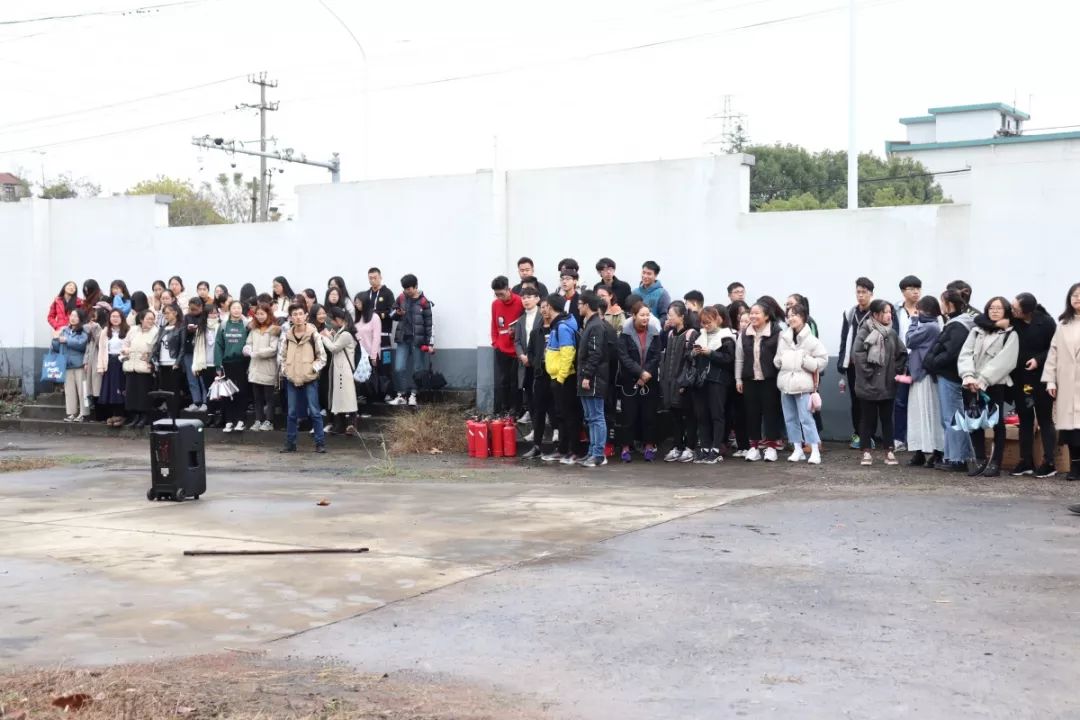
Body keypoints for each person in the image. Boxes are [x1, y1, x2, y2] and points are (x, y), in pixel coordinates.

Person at [958, 297, 1019, 477]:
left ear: (1006, 311)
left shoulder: (1010, 334)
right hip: (971, 383)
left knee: (997, 423)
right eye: (991, 307)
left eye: (999, 308)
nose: (995, 311)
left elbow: (1005, 361)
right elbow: (965, 353)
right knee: (974, 421)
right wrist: (968, 375)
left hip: (994, 383)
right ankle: (979, 458)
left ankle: (996, 462)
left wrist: (983, 380)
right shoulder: (976, 331)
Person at [923, 289, 978, 472]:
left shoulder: (957, 325)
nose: (941, 305)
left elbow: (951, 352)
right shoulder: (959, 323)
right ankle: (956, 456)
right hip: (951, 375)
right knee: (952, 417)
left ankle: (957, 459)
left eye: (942, 301)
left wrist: (932, 362)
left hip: (950, 375)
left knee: (952, 418)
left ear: (950, 304)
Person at [852, 299, 908, 466]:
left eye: (890, 312)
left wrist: (895, 371)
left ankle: (889, 450)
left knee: (887, 419)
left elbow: (902, 353)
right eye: (885, 312)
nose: (889, 315)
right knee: (867, 419)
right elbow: (858, 354)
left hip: (887, 384)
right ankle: (866, 451)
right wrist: (869, 373)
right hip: (868, 385)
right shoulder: (864, 331)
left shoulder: (892, 333)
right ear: (875, 314)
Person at [1008, 293, 1058, 477]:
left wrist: (1039, 360)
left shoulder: (1046, 322)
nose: (1012, 311)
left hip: (1041, 377)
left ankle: (1049, 462)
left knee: (1045, 419)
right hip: (1020, 378)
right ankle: (1026, 461)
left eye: (1016, 309)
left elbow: (1054, 348)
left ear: (1027, 311)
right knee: (1025, 419)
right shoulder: (1013, 320)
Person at [775, 304, 827, 464]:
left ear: (803, 317)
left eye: (795, 315)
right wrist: (781, 361)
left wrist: (805, 360)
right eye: (789, 315)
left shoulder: (812, 340)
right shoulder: (784, 338)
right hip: (786, 385)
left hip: (803, 387)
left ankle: (815, 450)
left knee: (806, 418)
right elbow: (777, 359)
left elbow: (822, 361)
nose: (791, 318)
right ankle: (797, 449)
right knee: (790, 418)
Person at [735, 302, 784, 461]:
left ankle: (771, 447)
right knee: (752, 413)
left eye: (757, 313)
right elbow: (739, 359)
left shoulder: (777, 333)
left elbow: (781, 357)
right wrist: (738, 379)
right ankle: (754, 447)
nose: (753, 316)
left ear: (767, 316)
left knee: (771, 413)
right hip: (750, 379)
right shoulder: (744, 334)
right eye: (752, 313)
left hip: (770, 380)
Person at [278, 303, 329, 453]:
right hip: (292, 378)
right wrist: (286, 371)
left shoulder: (314, 334)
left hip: (310, 379)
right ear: (290, 318)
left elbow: (322, 357)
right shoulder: (287, 336)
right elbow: (282, 357)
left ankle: (320, 443)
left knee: (315, 411)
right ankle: (290, 443)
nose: (298, 317)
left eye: (301, 314)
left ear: (306, 316)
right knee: (292, 413)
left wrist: (312, 369)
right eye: (295, 314)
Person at [1043, 283, 1080, 481]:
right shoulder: (1063, 325)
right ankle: (1075, 467)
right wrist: (1050, 381)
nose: (1077, 298)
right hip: (1067, 383)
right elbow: (1053, 354)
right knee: (1071, 429)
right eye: (1074, 295)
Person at [616, 302, 662, 462]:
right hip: (630, 380)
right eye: (642, 315)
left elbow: (656, 355)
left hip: (650, 380)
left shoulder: (654, 332)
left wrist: (646, 373)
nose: (645, 318)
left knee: (649, 416)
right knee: (628, 416)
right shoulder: (625, 333)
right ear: (634, 315)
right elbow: (624, 357)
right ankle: (625, 448)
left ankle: (649, 446)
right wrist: (639, 372)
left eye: (648, 315)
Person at [691, 306, 736, 464]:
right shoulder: (700, 336)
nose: (706, 325)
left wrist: (710, 353)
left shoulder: (726, 336)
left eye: (709, 322)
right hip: (701, 380)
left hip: (718, 380)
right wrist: (694, 353)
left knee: (717, 414)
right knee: (702, 415)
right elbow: (689, 357)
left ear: (717, 319)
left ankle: (716, 448)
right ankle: (704, 447)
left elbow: (729, 359)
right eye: (703, 322)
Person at [541, 294, 582, 464]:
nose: (544, 310)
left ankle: (574, 451)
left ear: (550, 307)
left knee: (570, 415)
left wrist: (561, 378)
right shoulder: (558, 325)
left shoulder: (562, 327)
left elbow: (568, 353)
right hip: (557, 377)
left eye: (545, 307)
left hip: (564, 379)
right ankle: (562, 449)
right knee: (561, 415)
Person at [905, 296, 945, 468]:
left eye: (919, 310)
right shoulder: (934, 325)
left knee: (926, 412)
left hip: (924, 375)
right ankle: (922, 450)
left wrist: (913, 321)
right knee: (921, 413)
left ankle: (933, 451)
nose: (917, 313)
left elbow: (909, 340)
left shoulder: (930, 327)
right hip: (922, 374)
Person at [837, 277, 876, 449]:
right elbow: (844, 337)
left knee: (870, 400)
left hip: (871, 364)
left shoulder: (877, 312)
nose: (860, 295)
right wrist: (841, 360)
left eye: (864, 292)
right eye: (858, 292)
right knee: (855, 400)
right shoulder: (850, 313)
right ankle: (857, 434)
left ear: (871, 294)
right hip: (853, 365)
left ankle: (870, 436)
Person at [658, 301, 699, 463]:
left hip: (684, 384)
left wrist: (684, 383)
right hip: (670, 383)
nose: (669, 318)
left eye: (671, 315)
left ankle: (690, 448)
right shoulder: (670, 334)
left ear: (682, 316)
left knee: (689, 416)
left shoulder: (691, 334)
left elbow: (691, 362)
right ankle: (677, 446)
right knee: (674, 416)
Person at [576, 292, 611, 468]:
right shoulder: (589, 324)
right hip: (585, 377)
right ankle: (591, 451)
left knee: (597, 416)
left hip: (594, 378)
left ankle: (598, 454)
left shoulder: (596, 325)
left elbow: (595, 354)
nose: (578, 307)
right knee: (590, 417)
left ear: (587, 305)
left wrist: (588, 375)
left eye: (580, 303)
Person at [388, 274, 434, 407]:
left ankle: (413, 395)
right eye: (405, 289)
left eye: (409, 289)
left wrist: (430, 343)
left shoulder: (424, 302)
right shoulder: (401, 297)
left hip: (418, 341)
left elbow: (429, 324)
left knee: (418, 369)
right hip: (403, 339)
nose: (407, 291)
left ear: (415, 286)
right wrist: (397, 313)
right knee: (399, 367)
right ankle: (401, 395)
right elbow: (391, 314)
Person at [890, 275, 923, 452]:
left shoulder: (925, 309)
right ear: (903, 291)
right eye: (911, 289)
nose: (916, 292)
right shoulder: (895, 311)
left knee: (920, 400)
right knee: (900, 400)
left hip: (920, 360)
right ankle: (899, 439)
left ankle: (918, 440)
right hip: (901, 360)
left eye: (918, 288)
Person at [521, 296, 557, 459]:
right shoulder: (536, 332)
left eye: (547, 306)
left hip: (556, 375)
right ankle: (537, 445)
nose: (544, 310)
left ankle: (560, 445)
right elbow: (530, 351)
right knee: (539, 411)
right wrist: (536, 363)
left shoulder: (559, 329)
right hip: (541, 375)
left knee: (557, 410)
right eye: (542, 307)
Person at [214, 300, 251, 433]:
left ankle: (241, 420)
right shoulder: (224, 325)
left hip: (242, 363)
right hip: (227, 364)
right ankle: (229, 421)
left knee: (242, 392)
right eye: (234, 308)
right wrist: (218, 365)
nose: (236, 310)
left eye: (239, 308)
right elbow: (218, 345)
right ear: (229, 310)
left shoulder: (247, 325)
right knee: (227, 393)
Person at [322, 306, 360, 435]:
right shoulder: (343, 332)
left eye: (332, 320)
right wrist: (331, 336)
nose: (331, 322)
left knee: (347, 397)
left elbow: (334, 348)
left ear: (338, 319)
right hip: (341, 370)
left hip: (344, 371)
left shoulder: (346, 334)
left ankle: (350, 424)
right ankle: (343, 425)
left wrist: (324, 338)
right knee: (341, 398)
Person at [490, 275, 524, 417]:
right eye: (496, 294)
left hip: (516, 350)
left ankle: (516, 409)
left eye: (501, 294)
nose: (499, 297)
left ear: (508, 289)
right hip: (501, 348)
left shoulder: (520, 301)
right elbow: (494, 324)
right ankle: (504, 408)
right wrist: (495, 342)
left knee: (515, 381)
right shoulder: (495, 304)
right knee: (503, 380)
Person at [244, 304, 281, 431]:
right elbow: (248, 343)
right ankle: (258, 420)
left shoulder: (274, 329)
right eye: (258, 314)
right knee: (257, 397)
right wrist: (247, 348)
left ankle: (269, 421)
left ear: (268, 314)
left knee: (269, 397)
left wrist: (256, 352)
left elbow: (273, 349)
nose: (260, 316)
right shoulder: (254, 329)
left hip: (268, 368)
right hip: (255, 368)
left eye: (262, 314)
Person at [122, 309, 159, 429]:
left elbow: (156, 349)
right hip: (131, 365)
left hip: (145, 367)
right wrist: (125, 353)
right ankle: (135, 416)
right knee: (132, 393)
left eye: (152, 319)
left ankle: (144, 417)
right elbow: (125, 344)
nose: (151, 321)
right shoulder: (133, 330)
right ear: (141, 319)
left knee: (143, 394)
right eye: (148, 319)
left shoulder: (156, 332)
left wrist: (150, 358)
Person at [51, 309, 89, 422]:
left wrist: (66, 340)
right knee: (69, 391)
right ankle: (72, 413)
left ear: (80, 318)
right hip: (66, 365)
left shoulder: (84, 330)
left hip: (80, 365)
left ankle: (84, 413)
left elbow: (82, 344)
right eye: (71, 315)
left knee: (83, 390)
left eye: (76, 316)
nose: (73, 318)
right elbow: (57, 348)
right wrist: (55, 339)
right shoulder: (64, 330)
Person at [366, 268, 397, 400]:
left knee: (385, 364)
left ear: (380, 277)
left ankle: (388, 392)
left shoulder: (387, 293)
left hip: (384, 336)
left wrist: (378, 314)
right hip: (369, 337)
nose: (373, 280)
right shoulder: (366, 294)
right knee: (370, 364)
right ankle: (373, 393)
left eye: (375, 277)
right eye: (370, 278)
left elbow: (393, 312)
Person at [513, 286, 541, 428]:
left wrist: (533, 357)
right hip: (525, 362)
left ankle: (548, 427)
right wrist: (522, 356)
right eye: (523, 298)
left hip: (539, 362)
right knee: (529, 394)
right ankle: (534, 428)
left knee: (540, 395)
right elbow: (517, 341)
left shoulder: (542, 316)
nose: (526, 300)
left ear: (537, 299)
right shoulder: (521, 320)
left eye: (529, 297)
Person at [96, 309, 129, 427]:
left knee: (121, 388)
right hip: (109, 362)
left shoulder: (128, 331)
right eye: (113, 316)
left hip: (122, 362)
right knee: (111, 390)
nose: (115, 319)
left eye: (117, 316)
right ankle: (114, 414)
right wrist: (100, 367)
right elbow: (101, 350)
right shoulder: (105, 331)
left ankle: (122, 415)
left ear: (122, 318)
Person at [180, 297, 213, 412]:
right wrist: (188, 329)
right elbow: (182, 331)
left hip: (202, 350)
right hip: (189, 349)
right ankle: (196, 401)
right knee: (191, 378)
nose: (193, 311)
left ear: (201, 307)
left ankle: (205, 401)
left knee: (203, 378)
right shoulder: (186, 317)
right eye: (191, 309)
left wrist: (198, 328)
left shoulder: (205, 316)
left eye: (195, 309)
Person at [151, 303, 185, 408]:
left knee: (174, 389)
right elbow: (157, 345)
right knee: (165, 389)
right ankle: (168, 411)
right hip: (162, 362)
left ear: (175, 313)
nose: (166, 315)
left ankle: (174, 412)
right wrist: (154, 359)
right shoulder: (163, 328)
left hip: (173, 362)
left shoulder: (180, 327)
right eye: (164, 313)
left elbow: (182, 347)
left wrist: (177, 362)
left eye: (167, 313)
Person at [352, 293, 381, 386]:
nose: (357, 305)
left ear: (365, 303)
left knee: (370, 381)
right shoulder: (356, 317)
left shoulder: (374, 317)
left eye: (359, 302)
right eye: (355, 303)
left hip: (369, 354)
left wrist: (373, 356)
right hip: (357, 353)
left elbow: (376, 338)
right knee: (358, 380)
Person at [635, 261, 671, 325]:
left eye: (649, 274)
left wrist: (651, 326)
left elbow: (665, 316)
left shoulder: (663, 294)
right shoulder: (635, 292)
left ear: (655, 275)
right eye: (643, 272)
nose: (645, 276)